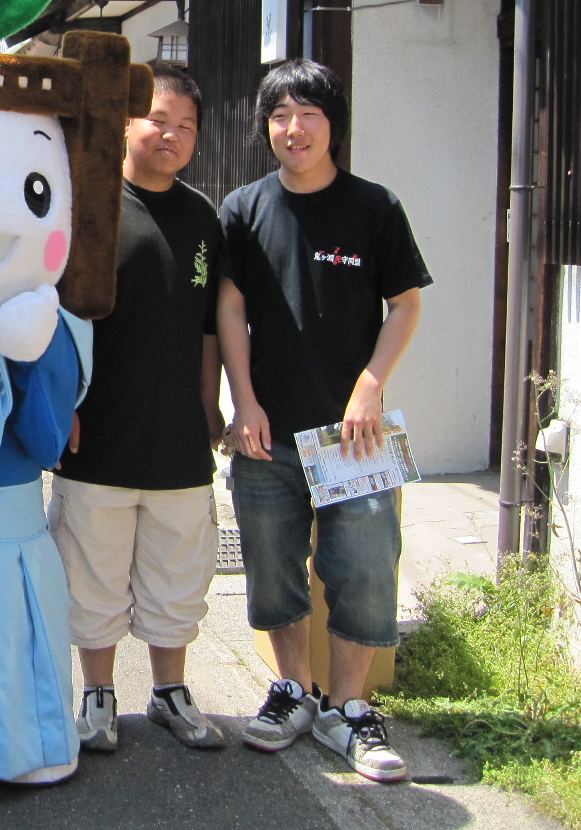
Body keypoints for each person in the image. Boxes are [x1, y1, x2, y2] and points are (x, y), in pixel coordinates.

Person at [216, 59, 429, 783]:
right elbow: (231, 307)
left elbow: (405, 303)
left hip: (353, 436)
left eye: (308, 113)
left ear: (333, 124)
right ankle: (292, 692)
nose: (294, 128)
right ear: (266, 128)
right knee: (272, 568)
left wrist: (370, 386)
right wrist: (242, 401)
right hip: (266, 431)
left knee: (365, 570)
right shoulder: (244, 208)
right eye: (280, 115)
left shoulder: (374, 207)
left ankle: (349, 709)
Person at [50, 63, 226, 752]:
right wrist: (59, 401)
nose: (170, 135)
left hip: (178, 435)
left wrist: (211, 406)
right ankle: (97, 694)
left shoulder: (204, 218)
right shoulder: (86, 204)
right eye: (158, 119)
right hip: (98, 430)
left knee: (176, 573)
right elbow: (53, 313)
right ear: (125, 122)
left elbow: (210, 327)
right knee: (90, 568)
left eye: (186, 126)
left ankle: (170, 692)